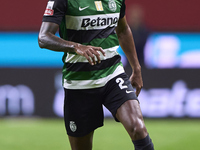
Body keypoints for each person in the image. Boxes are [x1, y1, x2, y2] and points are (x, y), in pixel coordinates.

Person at [38, 0, 154, 150]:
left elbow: (123, 30)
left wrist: (136, 69)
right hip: (79, 82)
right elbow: (44, 37)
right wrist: (76, 47)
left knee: (137, 128)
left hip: (113, 75)